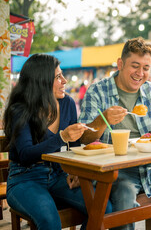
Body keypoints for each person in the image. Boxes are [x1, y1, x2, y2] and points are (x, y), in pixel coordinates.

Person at [78, 37, 151, 230]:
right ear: (120, 64)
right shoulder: (98, 91)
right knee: (124, 205)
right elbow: (83, 138)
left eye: (146, 68)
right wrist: (103, 120)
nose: (140, 73)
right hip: (117, 171)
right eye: (135, 66)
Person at [3, 54, 90, 230]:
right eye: (58, 77)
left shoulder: (67, 103)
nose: (65, 81)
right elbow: (26, 154)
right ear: (41, 81)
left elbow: (73, 145)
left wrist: (75, 171)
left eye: (62, 75)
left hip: (59, 175)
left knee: (103, 208)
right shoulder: (20, 109)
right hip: (24, 179)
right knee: (50, 221)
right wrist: (62, 137)